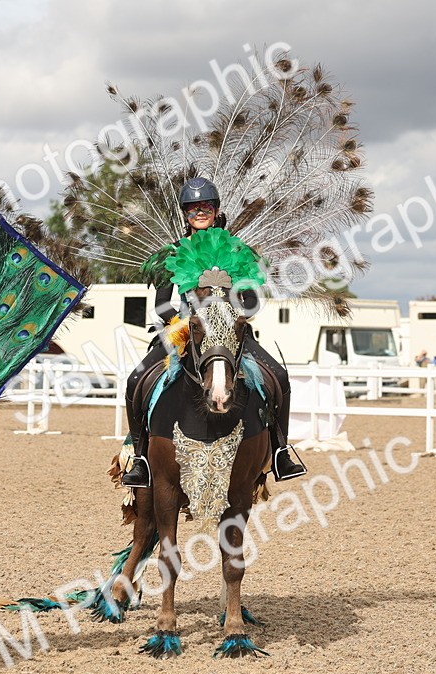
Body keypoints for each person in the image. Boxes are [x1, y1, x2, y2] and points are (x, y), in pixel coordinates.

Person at [119, 177, 306, 488]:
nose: (199, 212)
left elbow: (251, 301)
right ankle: (140, 457)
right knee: (136, 379)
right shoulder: (173, 252)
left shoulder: (238, 251)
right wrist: (185, 324)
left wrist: (230, 315)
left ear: (216, 209)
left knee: (280, 378)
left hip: (230, 335)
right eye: (192, 208)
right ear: (185, 214)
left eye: (205, 206)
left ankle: (280, 451)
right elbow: (163, 305)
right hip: (183, 335)